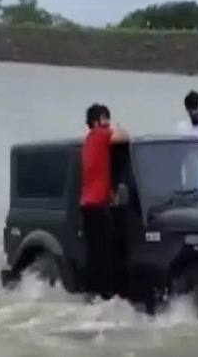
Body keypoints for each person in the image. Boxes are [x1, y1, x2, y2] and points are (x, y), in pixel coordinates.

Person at [81, 103, 129, 300]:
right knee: (107, 255)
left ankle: (93, 295)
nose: (107, 122)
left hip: (87, 204)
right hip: (97, 206)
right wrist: (118, 127)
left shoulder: (89, 140)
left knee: (96, 254)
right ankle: (106, 296)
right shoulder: (101, 136)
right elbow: (124, 137)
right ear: (95, 122)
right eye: (104, 118)